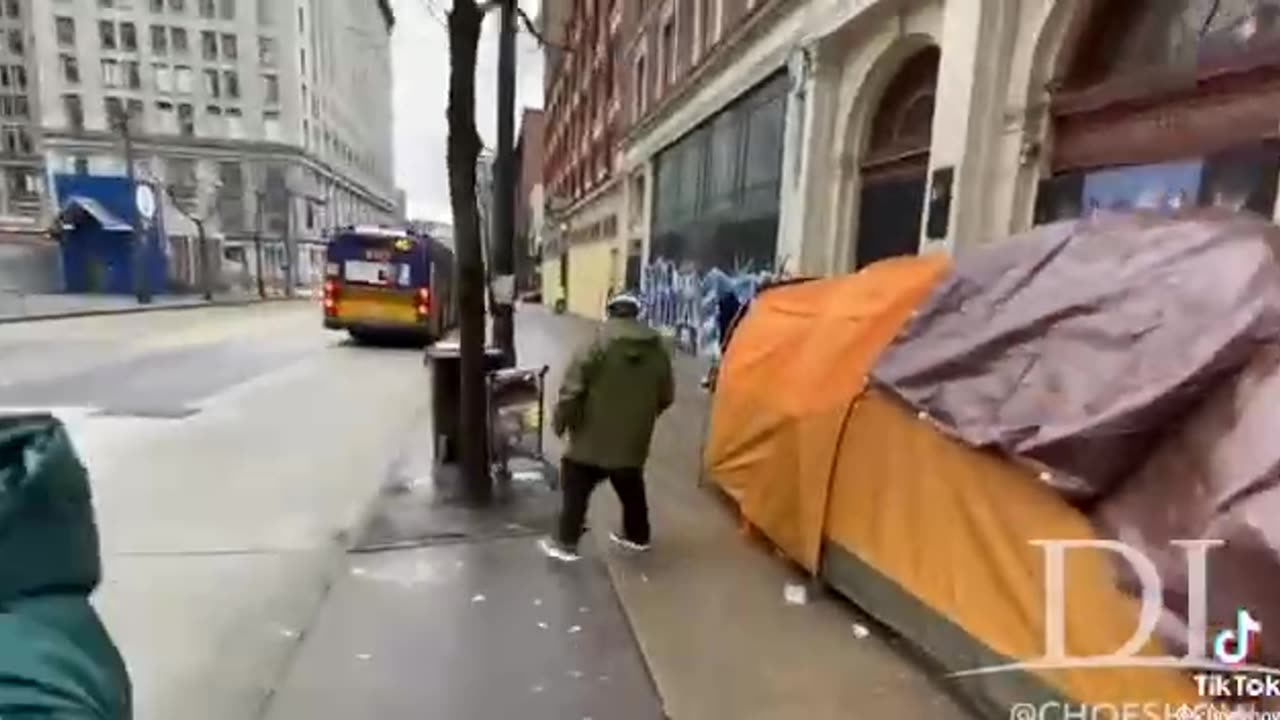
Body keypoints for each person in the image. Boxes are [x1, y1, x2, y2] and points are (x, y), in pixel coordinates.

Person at [540, 293, 675, 562]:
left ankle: (566, 542)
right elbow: (666, 395)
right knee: (629, 480)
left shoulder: (596, 342)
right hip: (632, 440)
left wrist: (560, 422)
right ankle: (638, 536)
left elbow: (572, 390)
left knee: (576, 482)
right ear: (636, 314)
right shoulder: (657, 348)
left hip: (591, 437)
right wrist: (642, 419)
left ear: (610, 312)